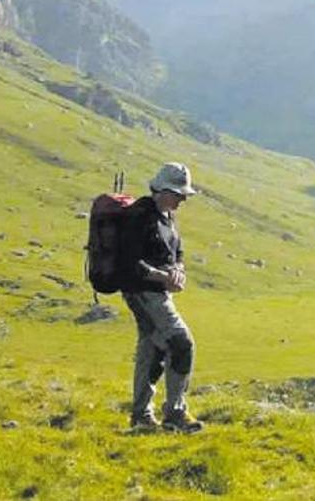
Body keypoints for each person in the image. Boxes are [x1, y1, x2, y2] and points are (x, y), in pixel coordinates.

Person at [119, 162, 202, 432]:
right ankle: (175, 412)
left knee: (152, 349)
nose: (182, 200)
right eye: (179, 195)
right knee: (181, 343)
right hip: (143, 292)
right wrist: (163, 277)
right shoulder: (139, 216)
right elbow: (129, 262)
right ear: (163, 189)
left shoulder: (166, 216)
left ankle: (142, 417)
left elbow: (177, 252)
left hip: (157, 292)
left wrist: (178, 270)